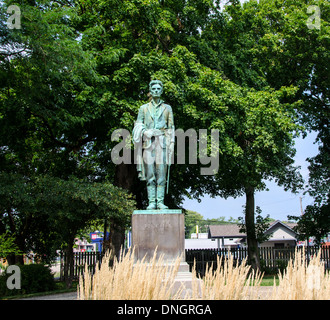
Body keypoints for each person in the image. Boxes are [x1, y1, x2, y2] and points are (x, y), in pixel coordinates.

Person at [133, 80, 175, 210]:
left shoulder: (167, 108)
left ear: (161, 91)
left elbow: (171, 127)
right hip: (148, 144)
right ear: (150, 91)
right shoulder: (143, 108)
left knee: (161, 174)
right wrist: (145, 131)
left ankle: (160, 202)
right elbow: (138, 124)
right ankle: (152, 202)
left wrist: (171, 143)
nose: (156, 90)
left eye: (158, 89)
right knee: (150, 174)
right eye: (154, 89)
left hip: (162, 143)